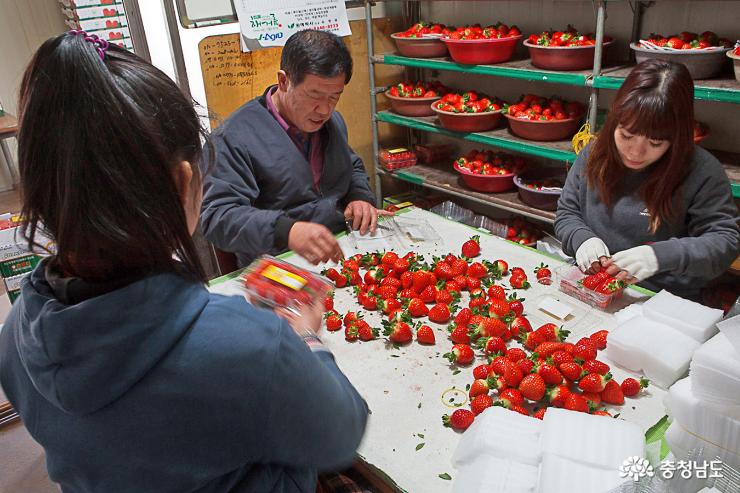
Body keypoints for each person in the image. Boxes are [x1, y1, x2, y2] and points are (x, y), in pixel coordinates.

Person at [0, 32, 368, 493]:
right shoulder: (252, 347)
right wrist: (306, 339)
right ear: (183, 183)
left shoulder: (15, 335)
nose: (324, 108)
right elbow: (342, 431)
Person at [200, 29, 388, 269]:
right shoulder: (234, 137)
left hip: (340, 253)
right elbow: (217, 217)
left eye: (334, 97)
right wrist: (286, 230)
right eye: (315, 95)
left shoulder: (332, 122)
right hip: (277, 266)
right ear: (284, 81)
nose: (324, 110)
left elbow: (351, 166)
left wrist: (359, 198)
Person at [555, 59, 738, 301]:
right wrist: (581, 238)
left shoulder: (701, 172)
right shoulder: (594, 153)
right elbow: (567, 212)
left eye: (655, 143)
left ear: (678, 136)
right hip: (592, 285)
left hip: (661, 299)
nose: (635, 152)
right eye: (627, 135)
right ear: (613, 122)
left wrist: (660, 256)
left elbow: (725, 242)